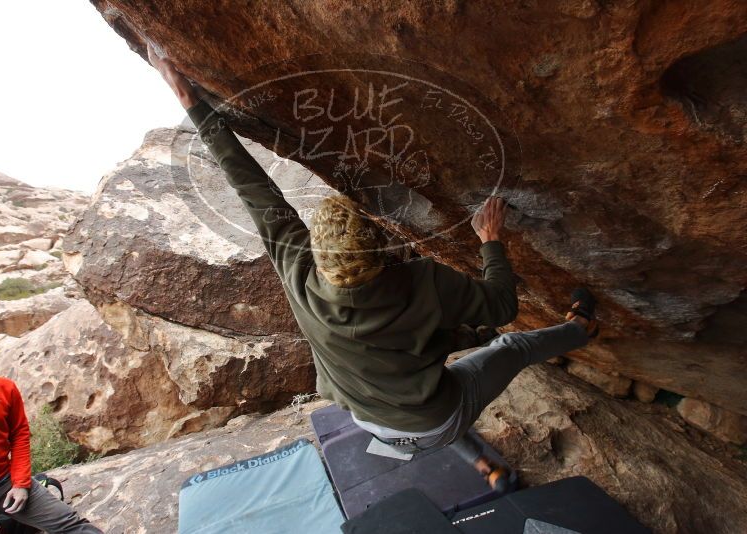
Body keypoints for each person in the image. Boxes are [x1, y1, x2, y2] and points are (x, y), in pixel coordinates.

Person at [147, 48, 599, 484]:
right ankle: (582, 328)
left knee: (426, 399)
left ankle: (484, 466)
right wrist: (491, 242)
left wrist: (193, 105)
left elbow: (251, 186)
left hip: (374, 422)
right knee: (511, 349)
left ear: (318, 253)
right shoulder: (424, 281)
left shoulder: (298, 274)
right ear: (379, 245)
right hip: (433, 417)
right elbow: (501, 305)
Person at [0, 330, 102, 534]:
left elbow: (19, 435)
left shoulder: (4, 388)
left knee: (72, 525)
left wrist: (21, 483)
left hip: (5, 483)